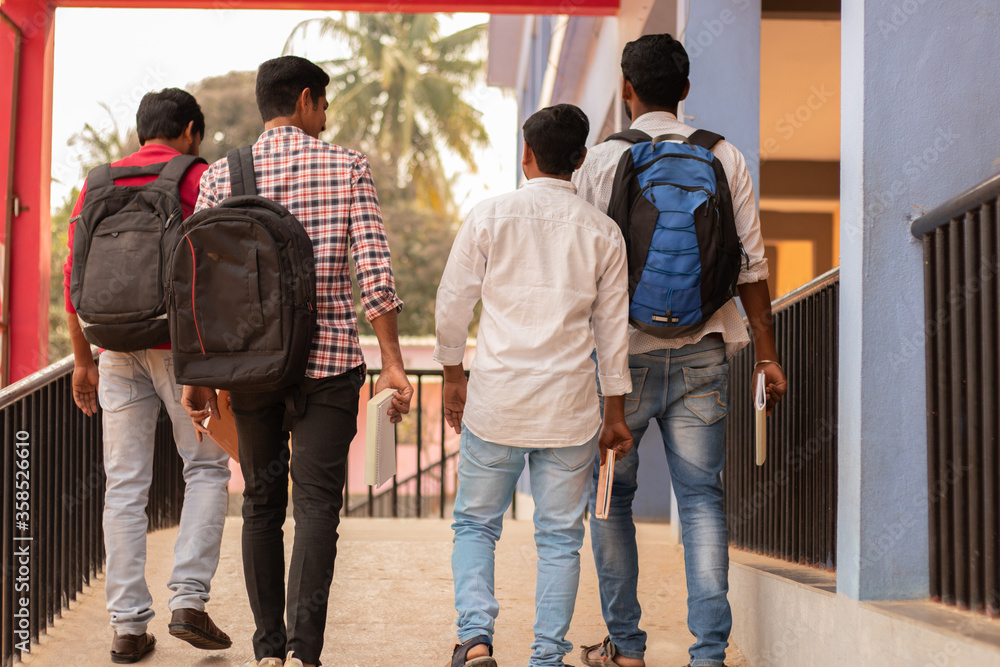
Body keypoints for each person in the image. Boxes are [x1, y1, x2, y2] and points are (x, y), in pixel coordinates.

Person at [181, 55, 413, 667]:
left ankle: (268, 653)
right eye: (324, 105)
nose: (326, 116)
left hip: (250, 369)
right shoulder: (346, 165)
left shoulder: (221, 178)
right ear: (306, 100)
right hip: (331, 365)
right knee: (316, 507)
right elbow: (375, 272)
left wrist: (198, 374)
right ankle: (305, 655)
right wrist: (390, 359)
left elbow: (202, 284)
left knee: (259, 504)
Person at [573, 34, 788, 667]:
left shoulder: (602, 160)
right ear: (686, 91)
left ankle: (628, 649)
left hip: (621, 363)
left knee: (611, 499)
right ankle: (709, 655)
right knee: (701, 501)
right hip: (703, 355)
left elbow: (584, 264)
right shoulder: (725, 155)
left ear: (626, 90)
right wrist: (769, 356)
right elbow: (751, 264)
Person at [435, 104, 634, 667]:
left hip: (496, 402)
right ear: (580, 159)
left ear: (526, 155)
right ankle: (547, 656)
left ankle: (475, 641)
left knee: (475, 523)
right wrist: (614, 412)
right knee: (560, 541)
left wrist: (454, 374)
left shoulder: (489, 216)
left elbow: (453, 305)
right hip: (569, 411)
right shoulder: (604, 233)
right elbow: (611, 332)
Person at [65, 88, 232, 664]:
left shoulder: (98, 182)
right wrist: (211, 363)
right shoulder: (197, 177)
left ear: (142, 132)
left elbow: (73, 280)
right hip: (180, 348)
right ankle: (187, 599)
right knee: (207, 469)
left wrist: (83, 361)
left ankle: (128, 626)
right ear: (188, 130)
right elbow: (214, 271)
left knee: (124, 486)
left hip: (111, 348)